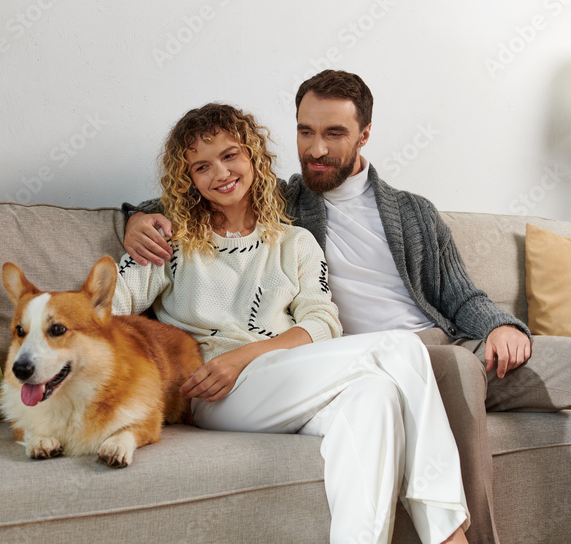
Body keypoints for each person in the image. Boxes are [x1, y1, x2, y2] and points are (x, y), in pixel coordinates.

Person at [123, 71, 571, 544]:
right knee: (439, 367)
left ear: (364, 134)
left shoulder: (412, 211)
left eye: (333, 133)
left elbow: (460, 295)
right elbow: (202, 198)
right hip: (375, 358)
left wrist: (500, 324)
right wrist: (136, 219)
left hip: (447, 344)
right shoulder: (285, 201)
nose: (315, 149)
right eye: (305, 131)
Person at [112, 102, 470, 544]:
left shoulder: (296, 241)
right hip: (213, 391)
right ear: (188, 179)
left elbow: (322, 323)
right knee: (402, 349)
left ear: (253, 156)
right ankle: (450, 535)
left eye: (230, 155)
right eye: (201, 166)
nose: (220, 173)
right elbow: (109, 309)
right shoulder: (173, 240)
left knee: (374, 397)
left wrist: (243, 357)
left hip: (276, 374)